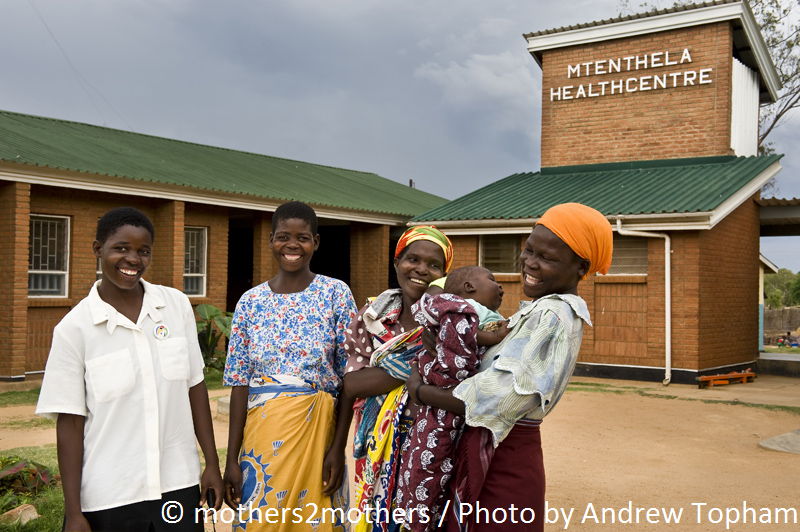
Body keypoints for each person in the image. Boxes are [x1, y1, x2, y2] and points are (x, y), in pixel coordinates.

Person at [406, 203, 613, 532]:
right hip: (496, 451)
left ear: (580, 267)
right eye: (528, 250)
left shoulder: (554, 316)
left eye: (546, 258)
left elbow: (495, 398)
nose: (530, 263)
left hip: (505, 461)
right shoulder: (538, 310)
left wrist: (420, 390)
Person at [36, 207, 223, 532]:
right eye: (121, 248)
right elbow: (69, 422)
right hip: (110, 495)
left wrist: (212, 462)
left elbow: (195, 387)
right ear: (98, 249)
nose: (132, 259)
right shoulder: (74, 329)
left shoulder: (176, 306)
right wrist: (73, 512)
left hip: (178, 486)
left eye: (142, 251)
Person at [222, 201, 356, 532]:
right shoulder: (250, 302)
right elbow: (240, 386)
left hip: (317, 440)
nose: (292, 245)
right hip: (261, 443)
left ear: (317, 242)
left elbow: (351, 380)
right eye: (283, 236)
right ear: (270, 241)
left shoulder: (336, 294)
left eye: (303, 237)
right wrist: (231, 461)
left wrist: (337, 450)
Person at [341, 225, 453, 532]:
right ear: (396, 263)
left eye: (434, 265)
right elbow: (352, 384)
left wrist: (384, 372)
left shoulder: (452, 321)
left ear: (444, 275)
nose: (421, 270)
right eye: (412, 259)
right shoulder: (373, 318)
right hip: (378, 443)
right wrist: (415, 369)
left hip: (431, 445)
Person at [397, 266, 509, 531]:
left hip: (453, 398)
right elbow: (461, 333)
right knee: (432, 456)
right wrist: (494, 336)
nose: (501, 286)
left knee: (438, 455)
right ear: (469, 287)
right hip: (446, 386)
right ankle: (418, 514)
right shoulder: (462, 307)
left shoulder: (484, 312)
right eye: (493, 279)